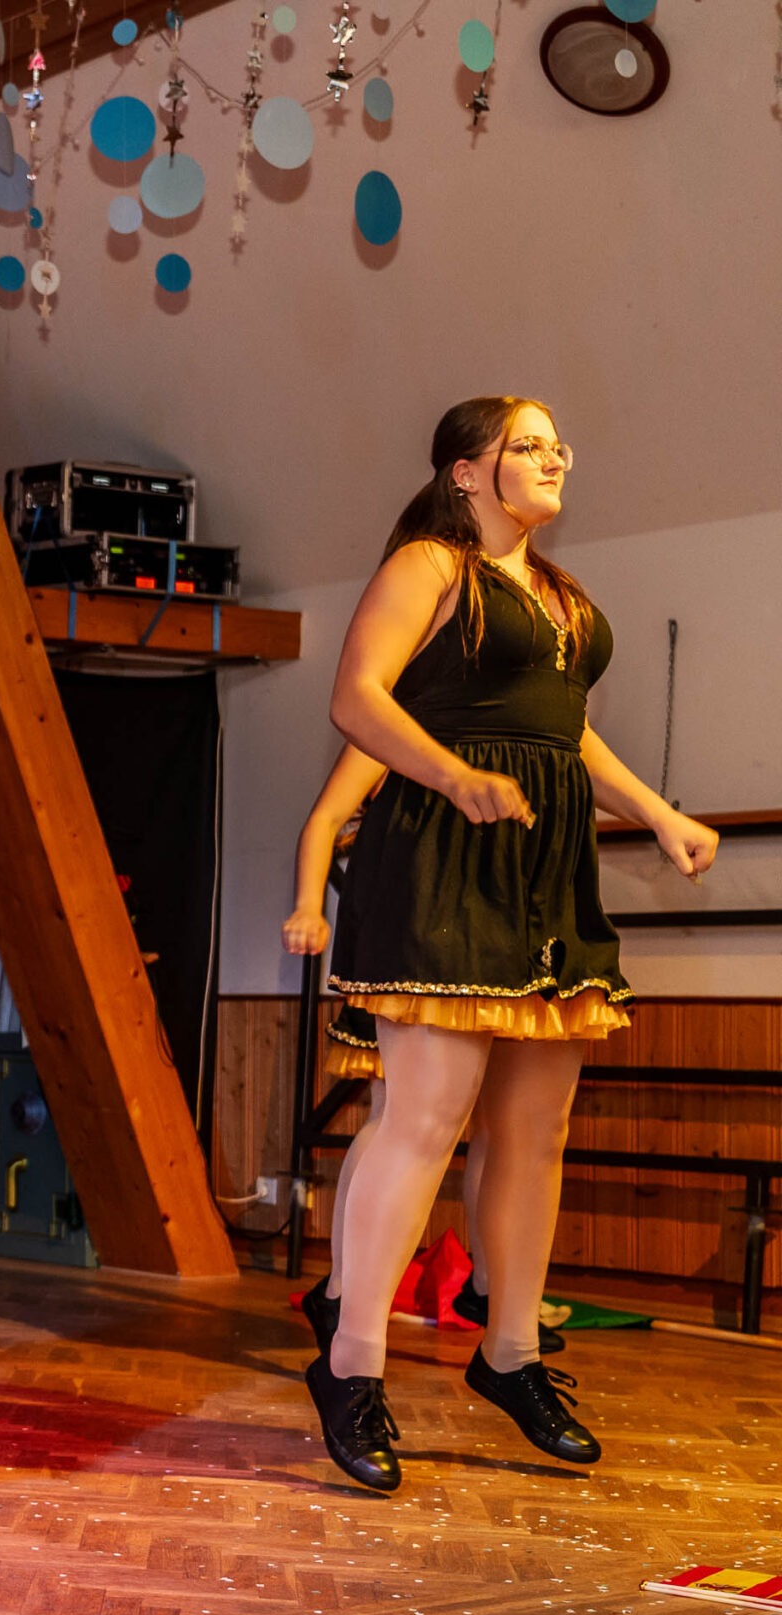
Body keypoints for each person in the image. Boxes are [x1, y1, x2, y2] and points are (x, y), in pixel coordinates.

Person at [312, 396, 715, 1493]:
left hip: (546, 867)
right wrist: (453, 775)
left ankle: (511, 1353)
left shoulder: (559, 596)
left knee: (536, 1132)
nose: (551, 460)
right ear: (465, 471)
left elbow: (565, 730)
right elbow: (356, 698)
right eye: (526, 447)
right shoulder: (430, 569)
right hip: (444, 854)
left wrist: (659, 815)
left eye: (556, 446)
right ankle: (351, 1365)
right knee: (424, 1118)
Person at [283, 745, 563, 1361]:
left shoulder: (500, 742)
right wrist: (307, 906)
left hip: (481, 941)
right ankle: (343, 1290)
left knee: (499, 1124)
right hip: (407, 945)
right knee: (398, 1118)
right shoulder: (393, 731)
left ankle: (492, 1287)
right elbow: (325, 819)